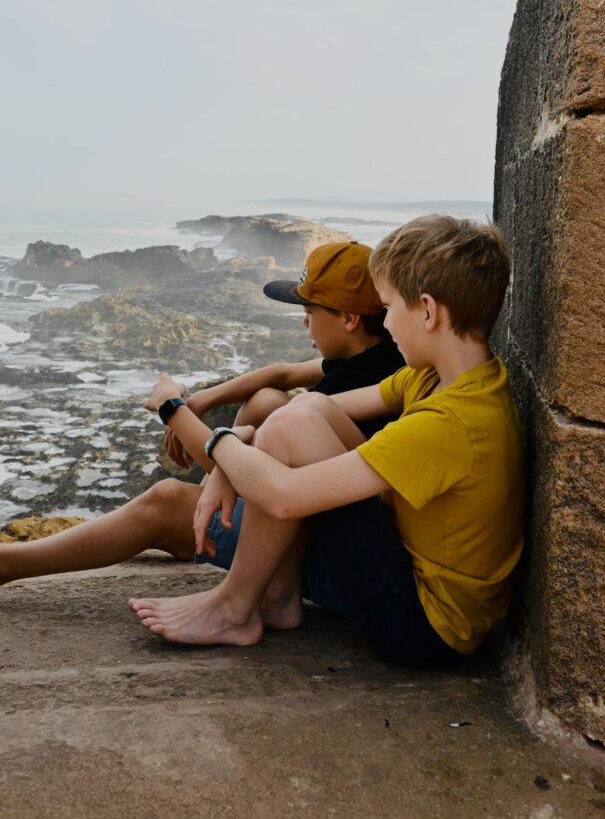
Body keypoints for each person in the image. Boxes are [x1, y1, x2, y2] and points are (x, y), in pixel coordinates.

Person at [128, 215, 525, 668]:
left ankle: (234, 607)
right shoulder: (441, 379)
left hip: (422, 628)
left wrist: (186, 419)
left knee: (290, 425)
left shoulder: (453, 422)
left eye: (390, 307)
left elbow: (281, 497)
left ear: (429, 311)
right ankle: (272, 596)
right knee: (298, 416)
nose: (388, 324)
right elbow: (306, 411)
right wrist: (229, 462)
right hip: (413, 570)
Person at [0, 242, 402, 598]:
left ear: (348, 319)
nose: (303, 324)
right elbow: (281, 372)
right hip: (329, 534)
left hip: (341, 570)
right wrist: (206, 399)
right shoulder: (377, 363)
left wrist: (174, 406)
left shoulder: (348, 392)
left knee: (167, 502)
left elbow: (239, 475)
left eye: (308, 311)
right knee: (268, 399)